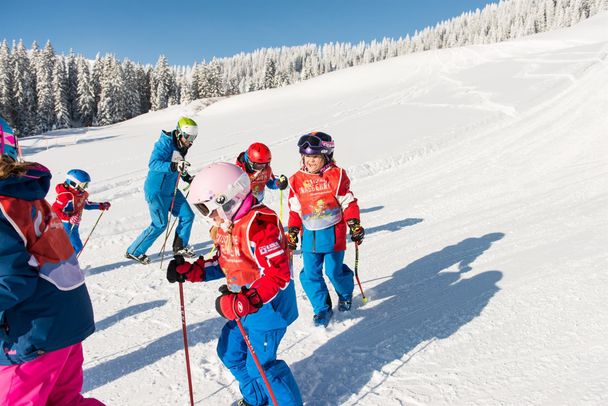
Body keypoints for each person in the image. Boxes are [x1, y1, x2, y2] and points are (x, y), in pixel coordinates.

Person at [166, 162, 302, 406]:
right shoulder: (228, 226)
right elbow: (226, 262)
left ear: (228, 199)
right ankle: (255, 398)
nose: (210, 217)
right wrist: (192, 271)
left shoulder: (260, 226)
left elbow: (277, 275)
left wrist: (245, 301)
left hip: (268, 310)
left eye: (210, 209)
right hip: (243, 307)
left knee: (260, 366)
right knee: (230, 353)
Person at [0, 122, 103, 405]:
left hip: (34, 334)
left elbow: (11, 280)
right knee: (65, 401)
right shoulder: (26, 196)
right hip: (66, 323)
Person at [286, 131, 365, 327]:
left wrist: (354, 223)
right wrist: (293, 231)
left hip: (332, 235)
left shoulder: (335, 176)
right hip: (309, 237)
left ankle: (345, 294)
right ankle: (321, 308)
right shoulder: (296, 180)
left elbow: (348, 202)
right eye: (306, 157)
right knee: (309, 274)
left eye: (315, 157)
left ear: (326, 156)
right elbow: (295, 210)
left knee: (333, 271)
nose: (310, 161)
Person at [126, 117, 197, 264]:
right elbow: (153, 163)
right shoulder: (164, 144)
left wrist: (187, 177)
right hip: (156, 191)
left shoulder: (182, 146)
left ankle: (180, 247)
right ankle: (134, 251)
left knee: (188, 215)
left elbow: (179, 164)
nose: (191, 141)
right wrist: (173, 167)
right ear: (179, 133)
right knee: (160, 224)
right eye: (189, 137)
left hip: (171, 190)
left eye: (194, 138)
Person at [51, 169, 111, 255]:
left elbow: (85, 204)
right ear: (73, 183)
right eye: (83, 185)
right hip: (64, 225)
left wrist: (101, 205)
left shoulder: (81, 194)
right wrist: (69, 219)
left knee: (70, 247)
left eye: (86, 184)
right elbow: (55, 210)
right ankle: (65, 265)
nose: (85, 187)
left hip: (73, 224)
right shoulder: (65, 196)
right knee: (76, 246)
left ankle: (65, 265)